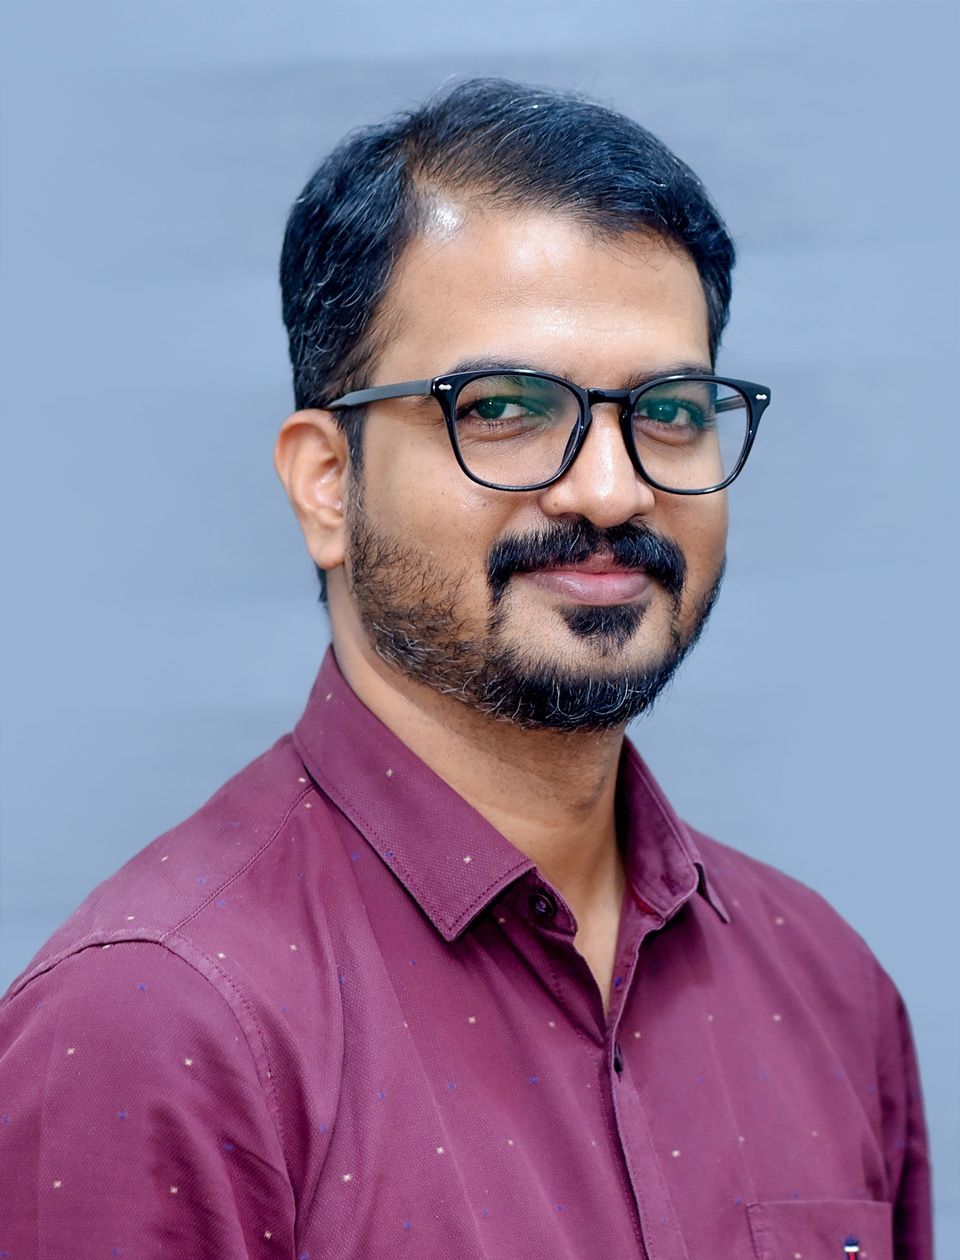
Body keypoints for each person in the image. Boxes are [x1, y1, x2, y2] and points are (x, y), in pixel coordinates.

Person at [0, 78, 931, 1258]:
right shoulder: (157, 1024)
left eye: (671, 410)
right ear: (326, 484)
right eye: (502, 408)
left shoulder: (829, 992)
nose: (611, 490)